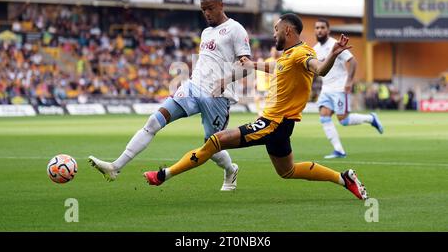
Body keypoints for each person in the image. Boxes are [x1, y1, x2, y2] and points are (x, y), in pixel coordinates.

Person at [143, 13, 368, 200]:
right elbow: (277, 68)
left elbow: (319, 69)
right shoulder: (288, 56)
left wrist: (332, 55)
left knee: (216, 140)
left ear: (287, 30)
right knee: (287, 171)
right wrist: (252, 65)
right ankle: (344, 178)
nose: (273, 34)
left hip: (273, 123)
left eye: (276, 29)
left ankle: (164, 175)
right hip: (281, 125)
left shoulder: (302, 52)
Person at [88, 0, 252, 191]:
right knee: (153, 121)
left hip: (218, 97)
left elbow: (247, 67)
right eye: (203, 10)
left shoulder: (236, 29)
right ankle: (115, 167)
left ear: (221, 6)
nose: (206, 13)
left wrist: (225, 80)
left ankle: (230, 169)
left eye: (210, 8)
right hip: (193, 87)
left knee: (212, 146)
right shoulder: (206, 32)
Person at [314, 18, 384, 159]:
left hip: (340, 87)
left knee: (343, 120)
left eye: (322, 27)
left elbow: (352, 61)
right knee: (324, 116)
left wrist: (349, 81)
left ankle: (371, 118)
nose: (319, 30)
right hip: (326, 89)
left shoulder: (335, 44)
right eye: (317, 28)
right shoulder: (315, 49)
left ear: (328, 30)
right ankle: (339, 150)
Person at [254, 46, 281, 116]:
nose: (273, 53)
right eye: (272, 51)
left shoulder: (281, 61)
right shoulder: (268, 61)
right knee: (260, 100)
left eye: (275, 51)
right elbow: (264, 73)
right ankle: (261, 114)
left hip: (277, 85)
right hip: (267, 86)